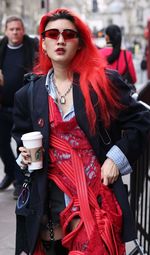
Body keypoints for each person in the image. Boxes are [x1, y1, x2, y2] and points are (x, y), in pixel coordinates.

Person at [12, 8, 150, 255]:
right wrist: (23, 156)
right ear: (43, 43)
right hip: (49, 198)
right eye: (53, 34)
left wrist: (115, 159)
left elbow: (142, 120)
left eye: (68, 34)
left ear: (79, 43)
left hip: (97, 195)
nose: (61, 39)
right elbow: (21, 134)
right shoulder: (29, 94)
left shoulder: (102, 83)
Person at [0, 16, 39, 198]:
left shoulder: (32, 47)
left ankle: (19, 182)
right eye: (11, 29)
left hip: (25, 107)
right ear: (5, 31)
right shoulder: (1, 48)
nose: (15, 32)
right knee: (2, 144)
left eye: (18, 29)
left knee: (21, 146)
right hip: (3, 106)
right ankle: (10, 171)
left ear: (23, 30)